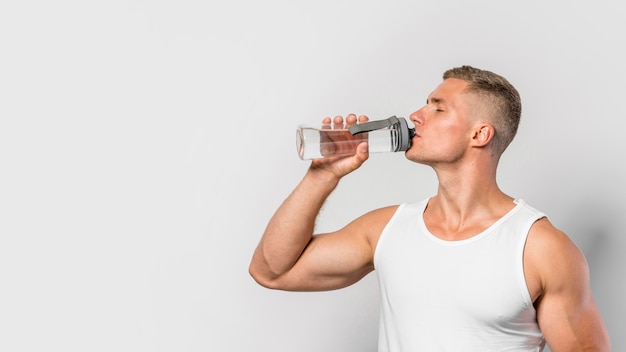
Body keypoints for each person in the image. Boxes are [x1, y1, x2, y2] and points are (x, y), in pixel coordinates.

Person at [249, 65, 610, 351]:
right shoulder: (387, 228)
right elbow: (272, 271)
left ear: (479, 134)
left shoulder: (539, 248)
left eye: (438, 108)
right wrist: (322, 177)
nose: (416, 115)